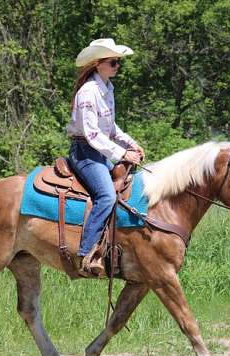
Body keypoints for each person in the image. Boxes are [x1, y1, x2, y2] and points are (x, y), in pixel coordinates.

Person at [67, 38, 144, 277]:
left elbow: (110, 128)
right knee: (107, 195)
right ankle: (87, 252)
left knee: (128, 184)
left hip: (99, 151)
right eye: (113, 62)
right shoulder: (88, 93)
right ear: (98, 64)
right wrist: (122, 153)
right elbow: (92, 134)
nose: (117, 66)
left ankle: (118, 246)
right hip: (85, 152)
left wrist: (131, 144)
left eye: (118, 62)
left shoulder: (107, 89)